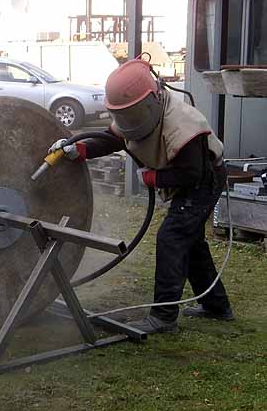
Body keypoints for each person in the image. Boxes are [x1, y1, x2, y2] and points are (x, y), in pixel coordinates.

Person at [48, 58, 233, 334]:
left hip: (203, 180)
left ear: (152, 101)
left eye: (129, 116)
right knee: (190, 242)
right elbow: (115, 138)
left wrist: (154, 178)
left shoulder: (184, 125)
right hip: (188, 176)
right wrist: (81, 150)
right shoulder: (134, 115)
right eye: (120, 116)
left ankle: (164, 317)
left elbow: (192, 173)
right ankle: (217, 306)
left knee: (172, 237)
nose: (125, 123)